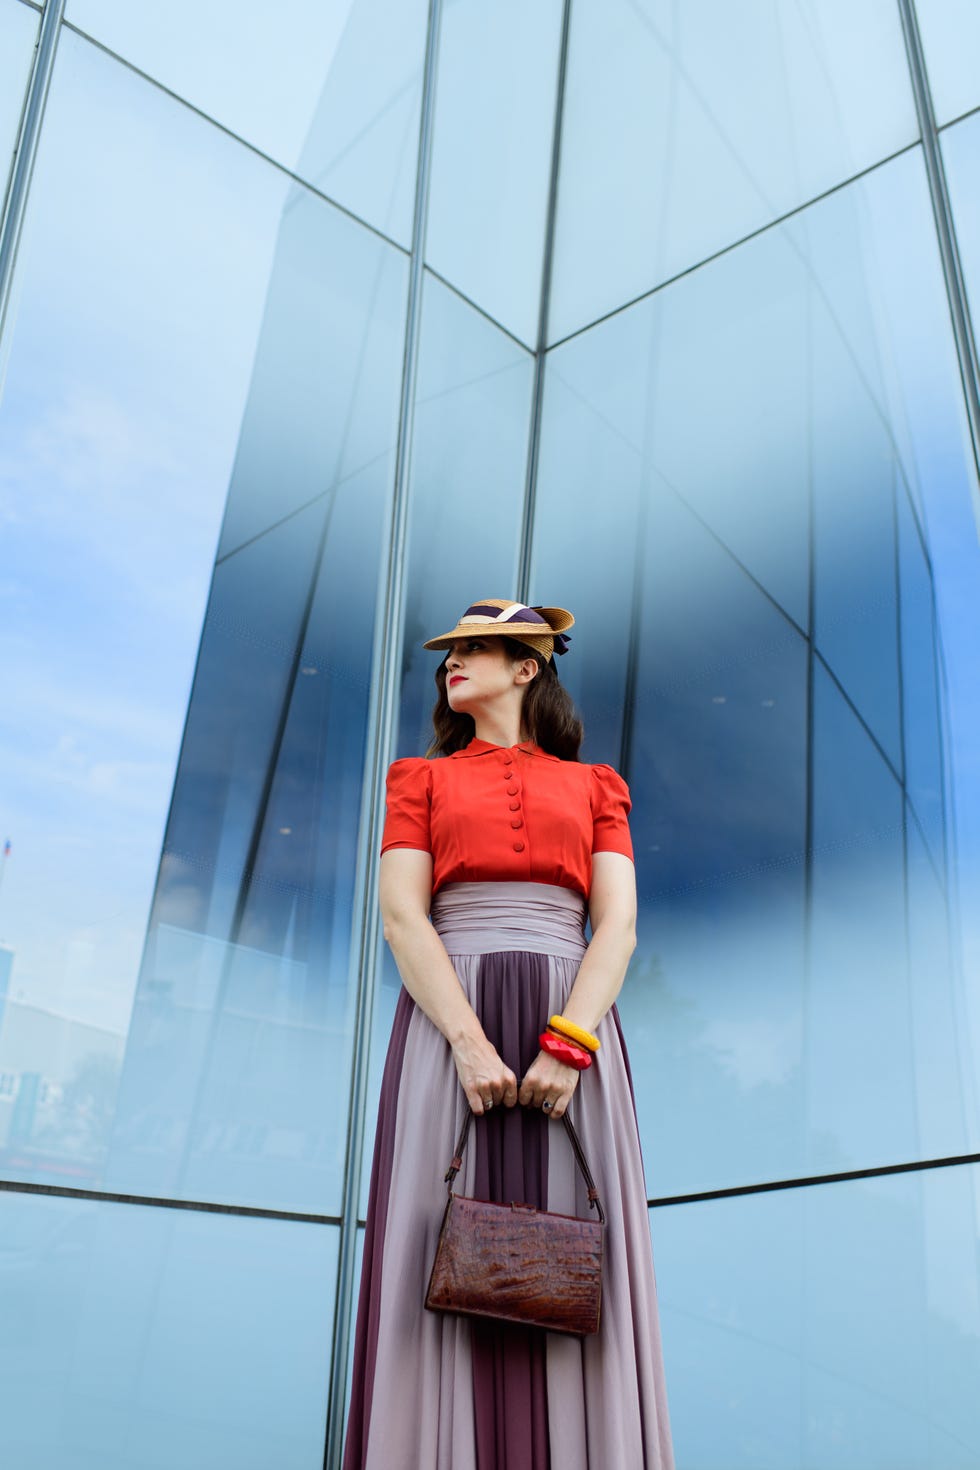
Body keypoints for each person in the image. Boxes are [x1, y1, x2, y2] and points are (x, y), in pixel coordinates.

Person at [343, 598, 674, 1470]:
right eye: (449, 653)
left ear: (527, 667)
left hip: (573, 1028)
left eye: (474, 650)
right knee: (432, 1237)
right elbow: (404, 921)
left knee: (579, 1244)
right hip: (450, 1023)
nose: (452, 664)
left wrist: (568, 1045)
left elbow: (618, 928)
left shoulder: (596, 785)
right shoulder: (417, 778)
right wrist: (467, 1042)